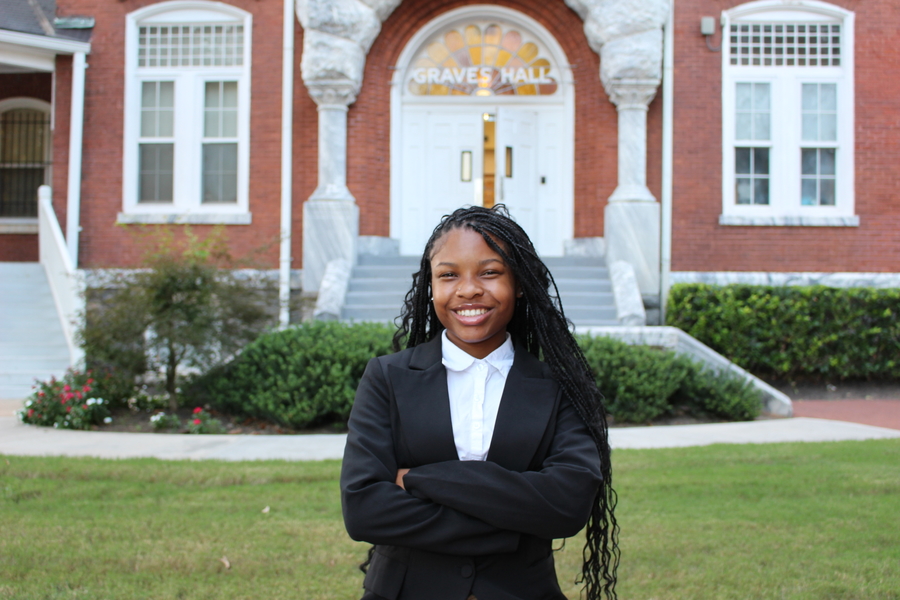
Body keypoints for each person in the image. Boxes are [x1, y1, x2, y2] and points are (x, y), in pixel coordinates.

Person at [340, 205, 619, 600]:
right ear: (431, 286)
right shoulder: (388, 377)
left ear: (519, 283)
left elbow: (568, 505)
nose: (468, 289)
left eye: (489, 272)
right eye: (448, 275)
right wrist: (516, 527)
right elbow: (364, 510)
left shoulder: (559, 388)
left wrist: (418, 480)